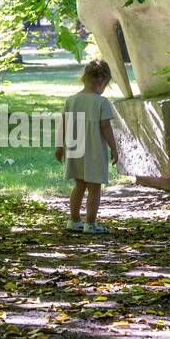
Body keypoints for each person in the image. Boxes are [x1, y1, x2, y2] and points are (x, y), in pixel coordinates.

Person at [55, 59, 119, 233]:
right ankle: (90, 224)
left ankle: (74, 220)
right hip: (94, 151)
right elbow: (105, 127)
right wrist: (114, 148)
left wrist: (59, 146)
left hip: (76, 149)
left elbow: (63, 124)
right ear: (102, 81)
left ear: (84, 78)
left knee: (79, 185)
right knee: (94, 187)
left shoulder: (72, 100)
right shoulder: (101, 102)